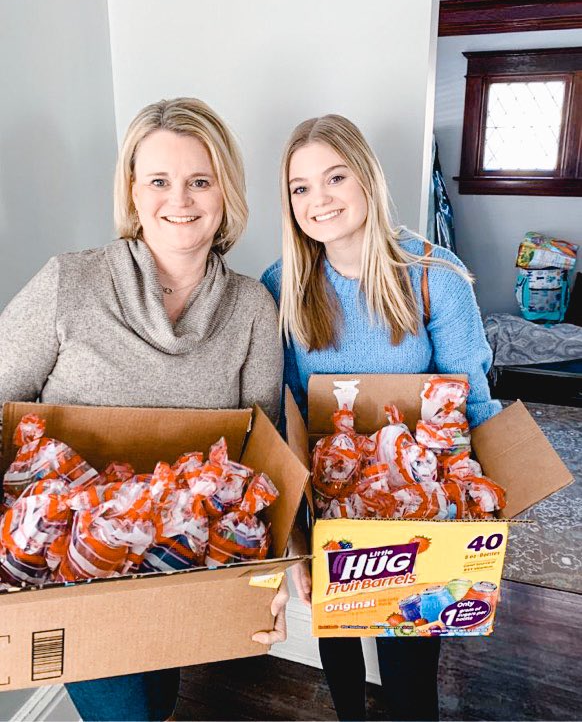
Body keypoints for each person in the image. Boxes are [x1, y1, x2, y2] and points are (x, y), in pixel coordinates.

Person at [0, 97, 287, 721]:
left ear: (225, 193)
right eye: (159, 180)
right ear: (132, 192)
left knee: (157, 702)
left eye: (199, 181)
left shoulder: (253, 310)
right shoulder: (67, 284)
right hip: (68, 573)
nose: (179, 199)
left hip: (184, 566)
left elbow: (264, 456)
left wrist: (273, 576)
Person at [261, 114, 501, 722]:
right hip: (332, 502)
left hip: (426, 502)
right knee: (336, 639)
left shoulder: (433, 276)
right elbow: (287, 411)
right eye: (301, 187)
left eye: (335, 176)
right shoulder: (281, 285)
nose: (319, 199)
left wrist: (492, 508)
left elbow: (472, 398)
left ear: (367, 177)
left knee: (409, 658)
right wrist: (297, 533)